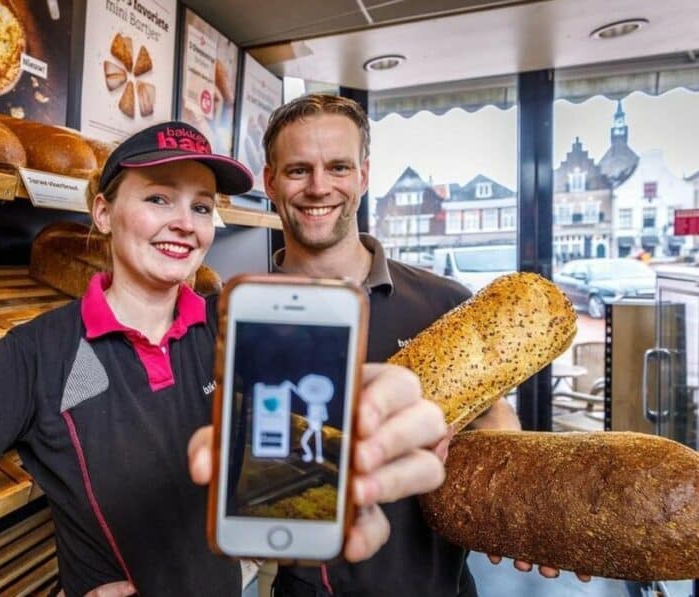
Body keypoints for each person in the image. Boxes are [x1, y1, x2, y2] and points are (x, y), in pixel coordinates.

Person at [0, 121, 449, 597]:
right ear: (102, 212)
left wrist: (333, 472)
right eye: (158, 198)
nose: (185, 223)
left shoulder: (238, 336)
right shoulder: (34, 357)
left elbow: (285, 492)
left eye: (202, 206)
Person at [198, 93, 582, 596]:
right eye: (298, 170)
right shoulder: (234, 318)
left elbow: (492, 414)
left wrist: (514, 502)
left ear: (363, 174)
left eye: (337, 167)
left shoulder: (445, 303)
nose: (319, 187)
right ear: (270, 181)